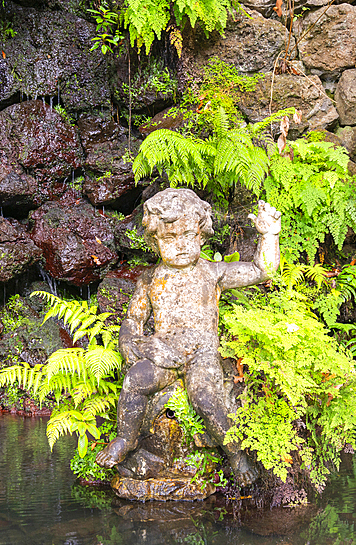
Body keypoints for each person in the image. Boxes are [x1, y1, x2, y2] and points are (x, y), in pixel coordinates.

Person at [94, 188, 281, 486]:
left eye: (188, 236)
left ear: (201, 235)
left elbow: (262, 270)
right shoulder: (150, 279)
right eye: (170, 238)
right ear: (155, 241)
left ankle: (234, 454)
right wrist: (144, 346)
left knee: (207, 399)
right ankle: (126, 439)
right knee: (134, 382)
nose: (180, 245)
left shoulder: (212, 273)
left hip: (201, 355)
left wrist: (268, 235)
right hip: (164, 354)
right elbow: (131, 324)